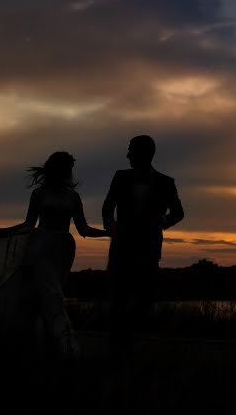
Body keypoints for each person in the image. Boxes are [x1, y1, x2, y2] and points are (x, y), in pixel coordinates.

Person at [0, 151, 106, 358]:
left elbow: (83, 229)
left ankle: (40, 346)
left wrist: (110, 233)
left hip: (62, 248)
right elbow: (29, 224)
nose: (68, 173)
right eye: (65, 169)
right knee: (50, 295)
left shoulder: (73, 197)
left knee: (47, 295)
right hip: (39, 247)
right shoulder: (39, 194)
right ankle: (67, 349)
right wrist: (0, 233)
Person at [102, 135, 184, 357]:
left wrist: (162, 221)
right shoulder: (120, 177)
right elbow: (108, 207)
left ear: (145, 153)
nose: (127, 155)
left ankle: (126, 334)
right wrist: (110, 225)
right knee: (118, 296)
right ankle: (117, 349)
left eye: (131, 150)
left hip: (148, 246)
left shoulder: (166, 182)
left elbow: (178, 213)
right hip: (121, 245)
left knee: (146, 296)